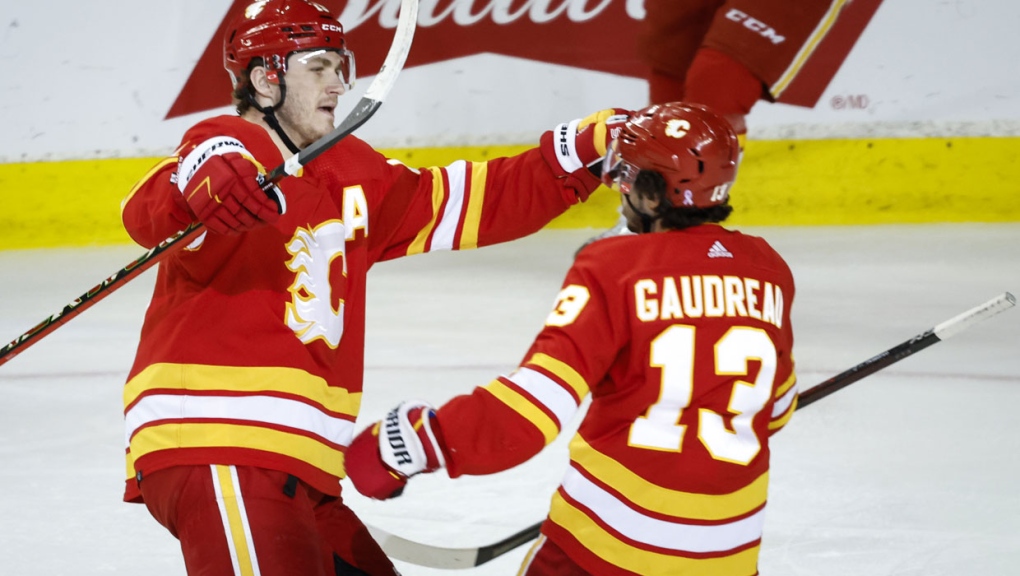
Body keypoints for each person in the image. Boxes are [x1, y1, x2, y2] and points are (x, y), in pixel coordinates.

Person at [118, 1, 629, 574]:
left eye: (341, 65)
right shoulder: (230, 149)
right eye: (318, 68)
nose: (338, 83)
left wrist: (584, 152)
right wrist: (203, 173)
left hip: (304, 470)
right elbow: (150, 210)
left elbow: (481, 201)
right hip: (220, 445)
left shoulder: (354, 174)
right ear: (266, 80)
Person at [347, 102, 799, 576]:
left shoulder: (615, 267)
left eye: (627, 178)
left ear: (650, 194)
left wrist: (413, 441)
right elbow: (778, 408)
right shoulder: (767, 267)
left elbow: (530, 411)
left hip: (605, 551)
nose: (620, 191)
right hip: (730, 555)